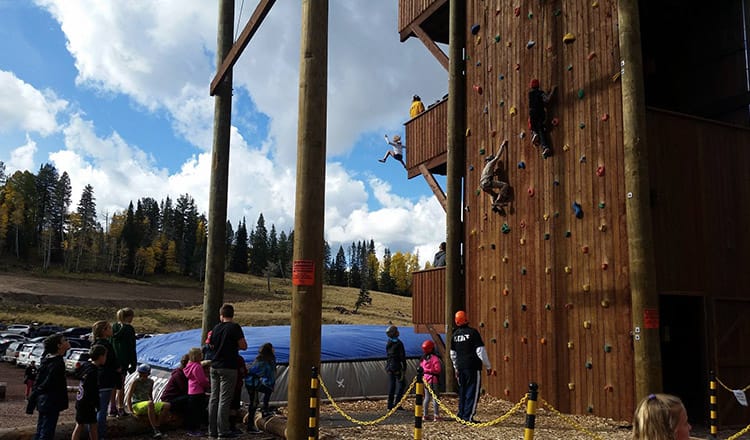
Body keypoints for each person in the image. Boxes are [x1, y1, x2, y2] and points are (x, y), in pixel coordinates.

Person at [207, 304, 248, 439]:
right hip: (228, 367)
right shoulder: (235, 328)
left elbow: (210, 344)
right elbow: (243, 346)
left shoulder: (216, 328)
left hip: (214, 366)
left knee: (214, 398)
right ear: (232, 314)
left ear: (221, 315)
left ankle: (211, 430)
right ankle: (223, 431)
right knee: (224, 400)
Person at [26, 334, 70, 440]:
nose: (68, 341)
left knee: (41, 429)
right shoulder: (57, 363)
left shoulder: (47, 359)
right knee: (46, 432)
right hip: (51, 400)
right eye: (65, 340)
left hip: (43, 400)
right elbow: (49, 382)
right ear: (59, 345)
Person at [450, 310, 492, 422]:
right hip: (473, 366)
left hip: (460, 367)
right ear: (466, 319)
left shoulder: (454, 335)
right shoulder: (473, 333)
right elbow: (480, 351)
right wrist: (488, 366)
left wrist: (456, 368)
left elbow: (452, 354)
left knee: (462, 391)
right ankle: (468, 417)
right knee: (472, 392)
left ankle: (461, 414)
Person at [72, 345, 108, 440]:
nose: (105, 358)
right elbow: (91, 389)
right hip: (87, 402)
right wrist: (96, 403)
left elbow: (77, 374)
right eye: (105, 356)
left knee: (92, 424)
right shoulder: (93, 371)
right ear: (100, 357)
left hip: (80, 400)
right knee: (81, 425)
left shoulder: (86, 366)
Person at [125, 364, 170, 439]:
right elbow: (129, 397)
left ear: (148, 374)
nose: (142, 375)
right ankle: (155, 429)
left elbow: (150, 394)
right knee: (149, 403)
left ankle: (157, 425)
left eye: (144, 373)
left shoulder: (151, 382)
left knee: (167, 405)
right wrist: (131, 411)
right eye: (140, 373)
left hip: (147, 404)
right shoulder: (135, 382)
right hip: (137, 404)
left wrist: (154, 405)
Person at [92, 320, 120, 439]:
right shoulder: (106, 345)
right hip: (106, 378)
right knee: (102, 410)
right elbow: (113, 362)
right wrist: (118, 369)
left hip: (96, 378)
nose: (111, 330)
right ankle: (100, 435)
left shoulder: (94, 344)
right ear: (104, 330)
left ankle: (92, 433)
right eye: (109, 328)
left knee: (95, 409)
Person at [245, 342, 277, 432]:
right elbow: (253, 371)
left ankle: (264, 409)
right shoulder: (262, 361)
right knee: (254, 403)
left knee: (266, 392)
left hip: (255, 382)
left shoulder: (266, 360)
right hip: (252, 383)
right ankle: (250, 426)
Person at [111, 307, 137, 417]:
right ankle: (121, 407)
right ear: (128, 317)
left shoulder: (114, 327)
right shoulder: (129, 329)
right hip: (123, 360)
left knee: (112, 385)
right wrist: (133, 363)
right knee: (120, 385)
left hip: (112, 360)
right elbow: (131, 347)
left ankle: (112, 407)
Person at [183, 348, 210, 437]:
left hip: (191, 391)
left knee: (192, 411)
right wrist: (208, 383)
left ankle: (191, 428)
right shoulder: (197, 367)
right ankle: (194, 429)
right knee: (198, 411)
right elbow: (201, 380)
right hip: (198, 391)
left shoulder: (189, 365)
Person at [480, 139, 510, 215]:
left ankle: (493, 205)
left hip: (482, 185)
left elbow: (489, 175)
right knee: (504, 185)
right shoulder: (491, 163)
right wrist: (502, 145)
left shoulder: (485, 168)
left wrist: (494, 174)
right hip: (487, 182)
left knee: (492, 194)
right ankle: (498, 201)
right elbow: (497, 156)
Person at [528, 78, 556, 158]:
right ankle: (545, 147)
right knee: (541, 130)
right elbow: (547, 100)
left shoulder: (530, 95)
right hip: (540, 113)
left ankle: (535, 134)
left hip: (532, 114)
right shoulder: (540, 93)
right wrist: (553, 91)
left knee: (534, 127)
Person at [159, 354, 190, 422]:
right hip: (169, 399)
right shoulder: (178, 374)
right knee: (190, 397)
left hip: (175, 397)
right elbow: (184, 389)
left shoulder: (183, 373)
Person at [385, 325, 407, 411]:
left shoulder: (388, 343)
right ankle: (397, 404)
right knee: (402, 384)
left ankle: (389, 405)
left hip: (389, 366)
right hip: (397, 366)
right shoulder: (399, 343)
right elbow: (402, 356)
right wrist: (404, 367)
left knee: (392, 385)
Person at [419, 340, 442, 421]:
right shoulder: (435, 358)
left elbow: (421, 368)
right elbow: (438, 369)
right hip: (433, 379)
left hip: (425, 379)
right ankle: (436, 415)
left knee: (427, 398)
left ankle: (425, 415)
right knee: (435, 397)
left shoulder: (423, 359)